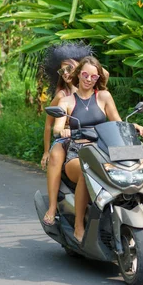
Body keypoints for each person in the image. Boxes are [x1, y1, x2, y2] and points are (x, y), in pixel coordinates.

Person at [53, 56, 143, 243]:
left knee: (139, 160)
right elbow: (56, 127)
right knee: (85, 172)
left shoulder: (104, 97)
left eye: (93, 77)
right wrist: (63, 129)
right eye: (85, 75)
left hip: (103, 149)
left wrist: (134, 125)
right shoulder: (67, 101)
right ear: (78, 74)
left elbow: (118, 122)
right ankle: (79, 226)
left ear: (98, 78)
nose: (89, 79)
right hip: (78, 151)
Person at [41, 43, 93, 226]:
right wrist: (46, 151)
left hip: (91, 135)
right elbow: (49, 125)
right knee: (56, 157)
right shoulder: (62, 95)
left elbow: (103, 75)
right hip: (66, 137)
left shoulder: (93, 89)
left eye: (69, 68)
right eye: (62, 70)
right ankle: (52, 207)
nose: (65, 73)